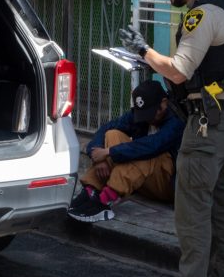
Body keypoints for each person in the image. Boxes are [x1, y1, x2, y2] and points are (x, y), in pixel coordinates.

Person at [119, 0, 224, 277]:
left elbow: (177, 71)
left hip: (208, 124)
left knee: (191, 206)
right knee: (219, 202)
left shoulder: (201, 15)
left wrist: (142, 51)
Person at [68, 79, 185, 223]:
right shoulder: (140, 114)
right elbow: (105, 128)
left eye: (151, 114)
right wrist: (99, 158)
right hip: (139, 180)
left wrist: (109, 152)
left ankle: (104, 201)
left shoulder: (176, 122)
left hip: (167, 187)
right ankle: (90, 192)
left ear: (164, 103)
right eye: (144, 114)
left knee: (148, 154)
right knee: (112, 134)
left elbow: (152, 145)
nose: (147, 119)